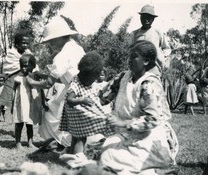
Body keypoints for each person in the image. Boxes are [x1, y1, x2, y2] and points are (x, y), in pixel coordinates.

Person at [99, 40, 178, 174]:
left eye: (134, 57)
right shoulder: (124, 77)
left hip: (147, 137)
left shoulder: (149, 84)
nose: (129, 60)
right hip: (124, 133)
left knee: (110, 157)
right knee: (103, 151)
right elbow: (104, 97)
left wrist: (123, 123)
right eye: (129, 57)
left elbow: (152, 119)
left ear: (146, 61)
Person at [39, 17, 85, 149]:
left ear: (60, 37)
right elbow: (64, 76)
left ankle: (63, 143)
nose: (51, 44)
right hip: (81, 87)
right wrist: (43, 75)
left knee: (49, 111)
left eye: (52, 40)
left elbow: (49, 83)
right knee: (54, 106)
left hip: (73, 91)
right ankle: (62, 142)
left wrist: (33, 83)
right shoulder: (77, 48)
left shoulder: (62, 54)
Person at [59, 51, 114, 155]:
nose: (92, 82)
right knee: (81, 139)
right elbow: (69, 99)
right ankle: (77, 159)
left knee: (76, 138)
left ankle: (71, 155)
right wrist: (82, 100)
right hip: (77, 115)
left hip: (78, 116)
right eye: (92, 79)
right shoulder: (75, 83)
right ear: (86, 75)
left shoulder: (84, 81)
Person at [0, 30, 32, 139]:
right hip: (11, 80)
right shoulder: (11, 53)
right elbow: (9, 68)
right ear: (17, 44)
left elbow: (32, 67)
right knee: (0, 105)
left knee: (18, 106)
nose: (25, 45)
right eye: (23, 43)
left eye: (27, 43)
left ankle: (18, 134)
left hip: (23, 81)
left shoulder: (29, 54)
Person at [130, 4, 171, 76]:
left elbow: (166, 49)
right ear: (140, 18)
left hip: (154, 69)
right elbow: (130, 51)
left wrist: (162, 59)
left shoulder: (157, 33)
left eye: (149, 17)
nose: (146, 20)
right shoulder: (135, 34)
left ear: (153, 19)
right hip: (138, 69)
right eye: (144, 17)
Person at [12, 54, 41, 149]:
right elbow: (13, 91)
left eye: (26, 66)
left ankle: (30, 142)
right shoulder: (18, 78)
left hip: (30, 105)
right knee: (19, 124)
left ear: (32, 66)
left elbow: (39, 90)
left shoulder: (34, 78)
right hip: (20, 104)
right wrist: (12, 104)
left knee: (30, 124)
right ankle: (18, 143)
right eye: (22, 66)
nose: (24, 68)